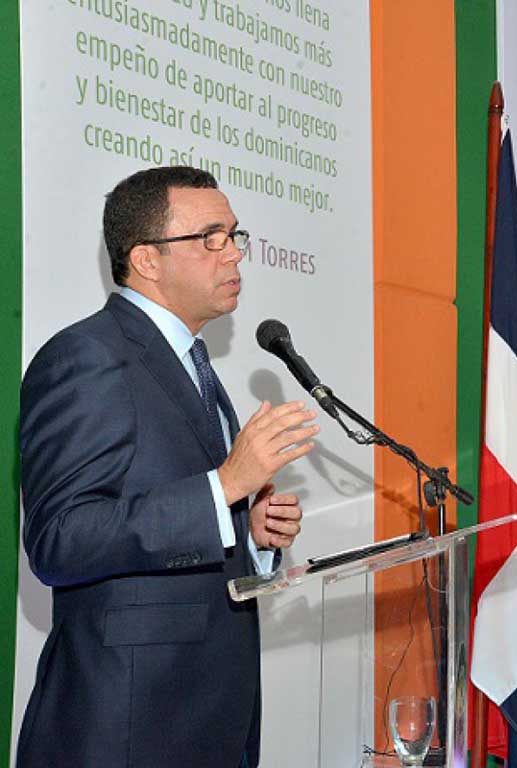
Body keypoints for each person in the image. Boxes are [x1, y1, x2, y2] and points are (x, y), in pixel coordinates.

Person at [17, 166, 319, 768]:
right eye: (210, 238)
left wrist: (249, 530)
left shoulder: (191, 363)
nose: (234, 253)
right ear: (146, 260)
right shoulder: (86, 356)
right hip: (126, 726)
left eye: (234, 235)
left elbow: (187, 520)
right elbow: (59, 540)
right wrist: (225, 487)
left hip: (209, 718)